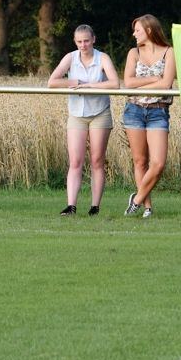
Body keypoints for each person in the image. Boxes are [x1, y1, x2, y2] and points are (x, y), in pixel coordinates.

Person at [48, 24, 120, 216]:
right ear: (75, 42)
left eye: (86, 41)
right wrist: (75, 83)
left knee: (97, 160)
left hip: (99, 113)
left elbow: (115, 83)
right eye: (79, 41)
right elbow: (52, 81)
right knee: (75, 161)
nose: (83, 45)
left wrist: (91, 86)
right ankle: (71, 206)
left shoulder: (102, 57)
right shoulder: (70, 58)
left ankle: (95, 207)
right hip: (77, 115)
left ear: (93, 39)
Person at [122, 14, 177, 218]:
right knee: (139, 161)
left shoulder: (169, 52)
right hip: (134, 110)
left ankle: (135, 199)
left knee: (158, 163)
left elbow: (166, 84)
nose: (134, 33)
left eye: (137, 30)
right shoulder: (133, 53)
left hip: (158, 111)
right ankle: (146, 207)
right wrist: (154, 77)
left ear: (149, 30)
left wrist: (143, 82)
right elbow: (127, 83)